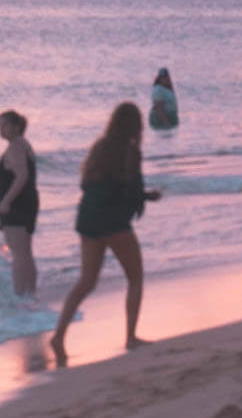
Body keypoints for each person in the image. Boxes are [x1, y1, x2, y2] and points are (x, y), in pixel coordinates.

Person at [50, 103, 161, 365]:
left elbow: (87, 183)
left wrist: (136, 195)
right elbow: (130, 190)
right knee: (135, 277)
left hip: (88, 219)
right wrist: (148, 196)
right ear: (135, 125)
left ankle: (59, 335)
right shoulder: (130, 151)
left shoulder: (99, 148)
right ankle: (131, 337)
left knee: (86, 281)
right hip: (113, 222)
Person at [0, 110, 40, 298]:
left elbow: (22, 176)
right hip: (27, 203)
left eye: (3, 125)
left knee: (19, 255)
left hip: (17, 207)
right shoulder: (24, 145)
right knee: (25, 253)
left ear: (14, 127)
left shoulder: (16, 147)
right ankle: (30, 296)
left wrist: (6, 201)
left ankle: (21, 298)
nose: (0, 130)